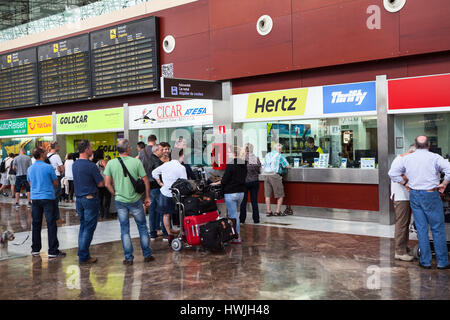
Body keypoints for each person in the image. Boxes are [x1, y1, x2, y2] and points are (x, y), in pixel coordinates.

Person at [389, 135, 450, 269]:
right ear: (429, 145)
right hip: (431, 195)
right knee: (437, 229)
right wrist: (444, 183)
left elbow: (392, 173)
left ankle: (425, 261)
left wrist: (405, 183)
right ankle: (442, 262)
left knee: (421, 229)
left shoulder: (407, 158)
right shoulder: (435, 157)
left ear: (415, 146)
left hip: (415, 195)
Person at [104, 139, 154, 265]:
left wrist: (115, 193)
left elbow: (107, 184)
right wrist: (147, 197)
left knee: (124, 229)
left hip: (120, 201)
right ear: (127, 149)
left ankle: (128, 258)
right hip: (136, 200)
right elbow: (146, 180)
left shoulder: (111, 163)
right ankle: (147, 255)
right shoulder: (136, 162)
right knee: (142, 227)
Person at [27, 147, 66, 259]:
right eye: (45, 152)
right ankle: (52, 250)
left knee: (36, 223)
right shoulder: (48, 167)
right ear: (42, 155)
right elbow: (55, 183)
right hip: (48, 197)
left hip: (35, 198)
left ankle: (35, 249)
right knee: (51, 223)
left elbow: (30, 183)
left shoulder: (30, 169)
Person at [73, 140, 105, 265]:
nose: (92, 149)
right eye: (91, 147)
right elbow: (101, 183)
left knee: (83, 226)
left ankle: (82, 253)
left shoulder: (75, 164)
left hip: (79, 199)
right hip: (90, 198)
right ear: (86, 149)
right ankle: (83, 255)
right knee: (89, 228)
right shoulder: (91, 166)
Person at [152, 147, 187, 244]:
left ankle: (169, 234)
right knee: (180, 214)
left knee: (166, 215)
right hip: (176, 194)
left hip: (164, 193)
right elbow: (184, 182)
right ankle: (182, 233)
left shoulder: (165, 165)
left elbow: (154, 173)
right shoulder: (181, 167)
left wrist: (160, 183)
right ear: (180, 156)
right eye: (183, 155)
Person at [389, 144, 416, 262]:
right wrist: (407, 180)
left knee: (406, 223)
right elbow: (395, 175)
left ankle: (403, 247)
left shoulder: (406, 160)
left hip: (406, 196)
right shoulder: (400, 159)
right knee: (402, 223)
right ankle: (399, 251)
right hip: (401, 196)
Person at [220, 145, 247, 244]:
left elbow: (225, 180)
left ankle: (237, 236)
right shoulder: (243, 164)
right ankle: (233, 233)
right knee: (235, 214)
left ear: (234, 153)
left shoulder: (230, 164)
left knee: (233, 215)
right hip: (241, 193)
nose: (227, 154)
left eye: (229, 152)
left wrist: (220, 182)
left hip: (231, 193)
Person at [142, 144, 167, 240]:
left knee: (152, 211)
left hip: (150, 187)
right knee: (162, 210)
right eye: (161, 150)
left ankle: (153, 233)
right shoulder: (157, 161)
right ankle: (165, 233)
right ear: (156, 151)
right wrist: (161, 183)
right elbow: (159, 174)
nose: (163, 151)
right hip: (157, 187)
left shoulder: (147, 160)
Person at [262, 143, 290, 216]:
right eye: (281, 149)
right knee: (280, 194)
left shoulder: (267, 155)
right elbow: (287, 166)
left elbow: (263, 165)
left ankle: (269, 211)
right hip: (275, 175)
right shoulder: (279, 155)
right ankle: (277, 212)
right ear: (279, 149)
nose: (281, 151)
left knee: (267, 195)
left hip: (266, 175)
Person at [240, 143, 262, 224]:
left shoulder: (242, 159)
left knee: (244, 202)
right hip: (255, 181)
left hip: (245, 182)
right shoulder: (256, 158)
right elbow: (259, 171)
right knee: (254, 201)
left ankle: (242, 219)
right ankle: (256, 219)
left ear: (245, 149)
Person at [47, 142, 65, 223]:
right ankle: (57, 217)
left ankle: (51, 216)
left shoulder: (47, 155)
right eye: (58, 146)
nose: (59, 147)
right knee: (55, 198)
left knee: (51, 197)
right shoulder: (57, 156)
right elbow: (62, 168)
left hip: (49, 178)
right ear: (56, 147)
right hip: (56, 177)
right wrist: (61, 171)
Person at [95, 149, 112, 219]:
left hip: (99, 182)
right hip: (105, 182)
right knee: (107, 199)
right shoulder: (102, 161)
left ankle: (101, 214)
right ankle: (106, 214)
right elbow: (107, 169)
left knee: (100, 199)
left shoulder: (96, 163)